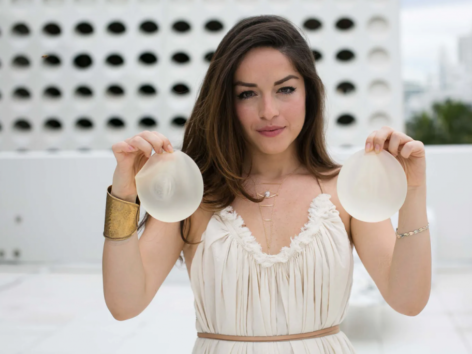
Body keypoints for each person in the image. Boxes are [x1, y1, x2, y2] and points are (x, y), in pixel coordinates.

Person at [102, 15, 431, 354]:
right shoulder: (197, 194)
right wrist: (124, 195)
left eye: (285, 89)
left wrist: (414, 190)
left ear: (310, 94)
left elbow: (408, 300)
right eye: (247, 94)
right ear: (226, 103)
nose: (269, 111)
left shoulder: (345, 189)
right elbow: (124, 304)